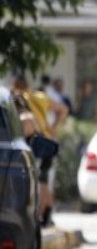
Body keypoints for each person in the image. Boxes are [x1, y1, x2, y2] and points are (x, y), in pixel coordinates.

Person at [11, 75, 68, 226]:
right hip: (47, 141)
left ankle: (41, 216)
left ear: (16, 85)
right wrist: (53, 127)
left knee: (39, 183)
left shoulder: (17, 99)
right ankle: (47, 214)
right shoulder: (40, 97)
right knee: (44, 181)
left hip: (35, 143)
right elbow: (63, 109)